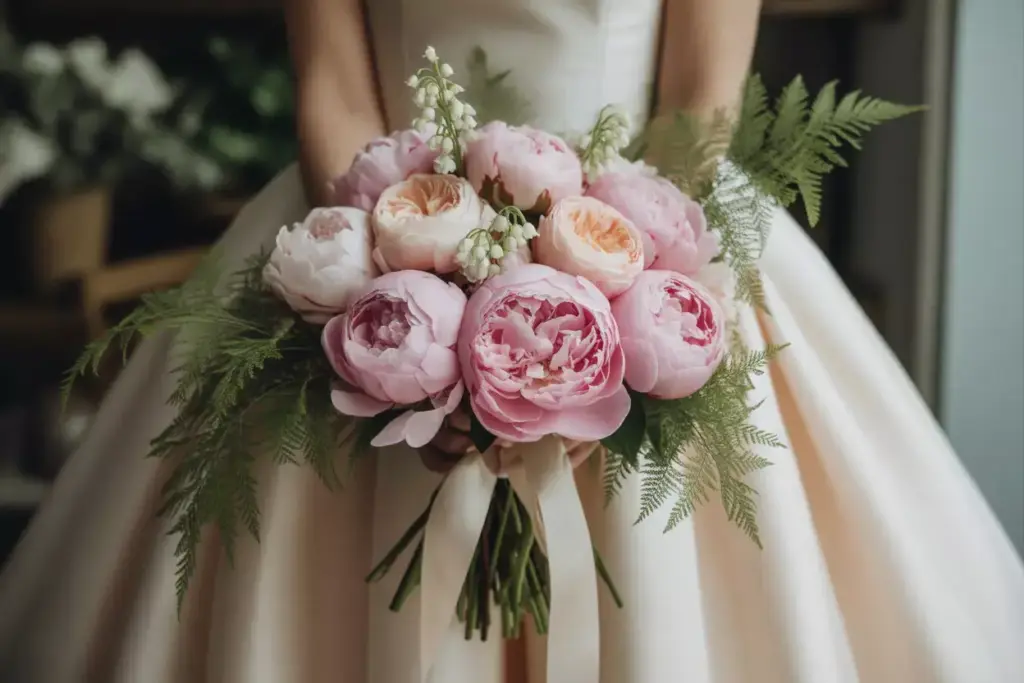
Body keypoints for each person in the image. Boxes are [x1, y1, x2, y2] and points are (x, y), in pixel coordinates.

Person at [1, 0, 1022, 681]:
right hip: (376, 228)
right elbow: (334, 87)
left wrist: (601, 324)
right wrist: (396, 298)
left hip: (642, 236)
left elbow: (696, 100)